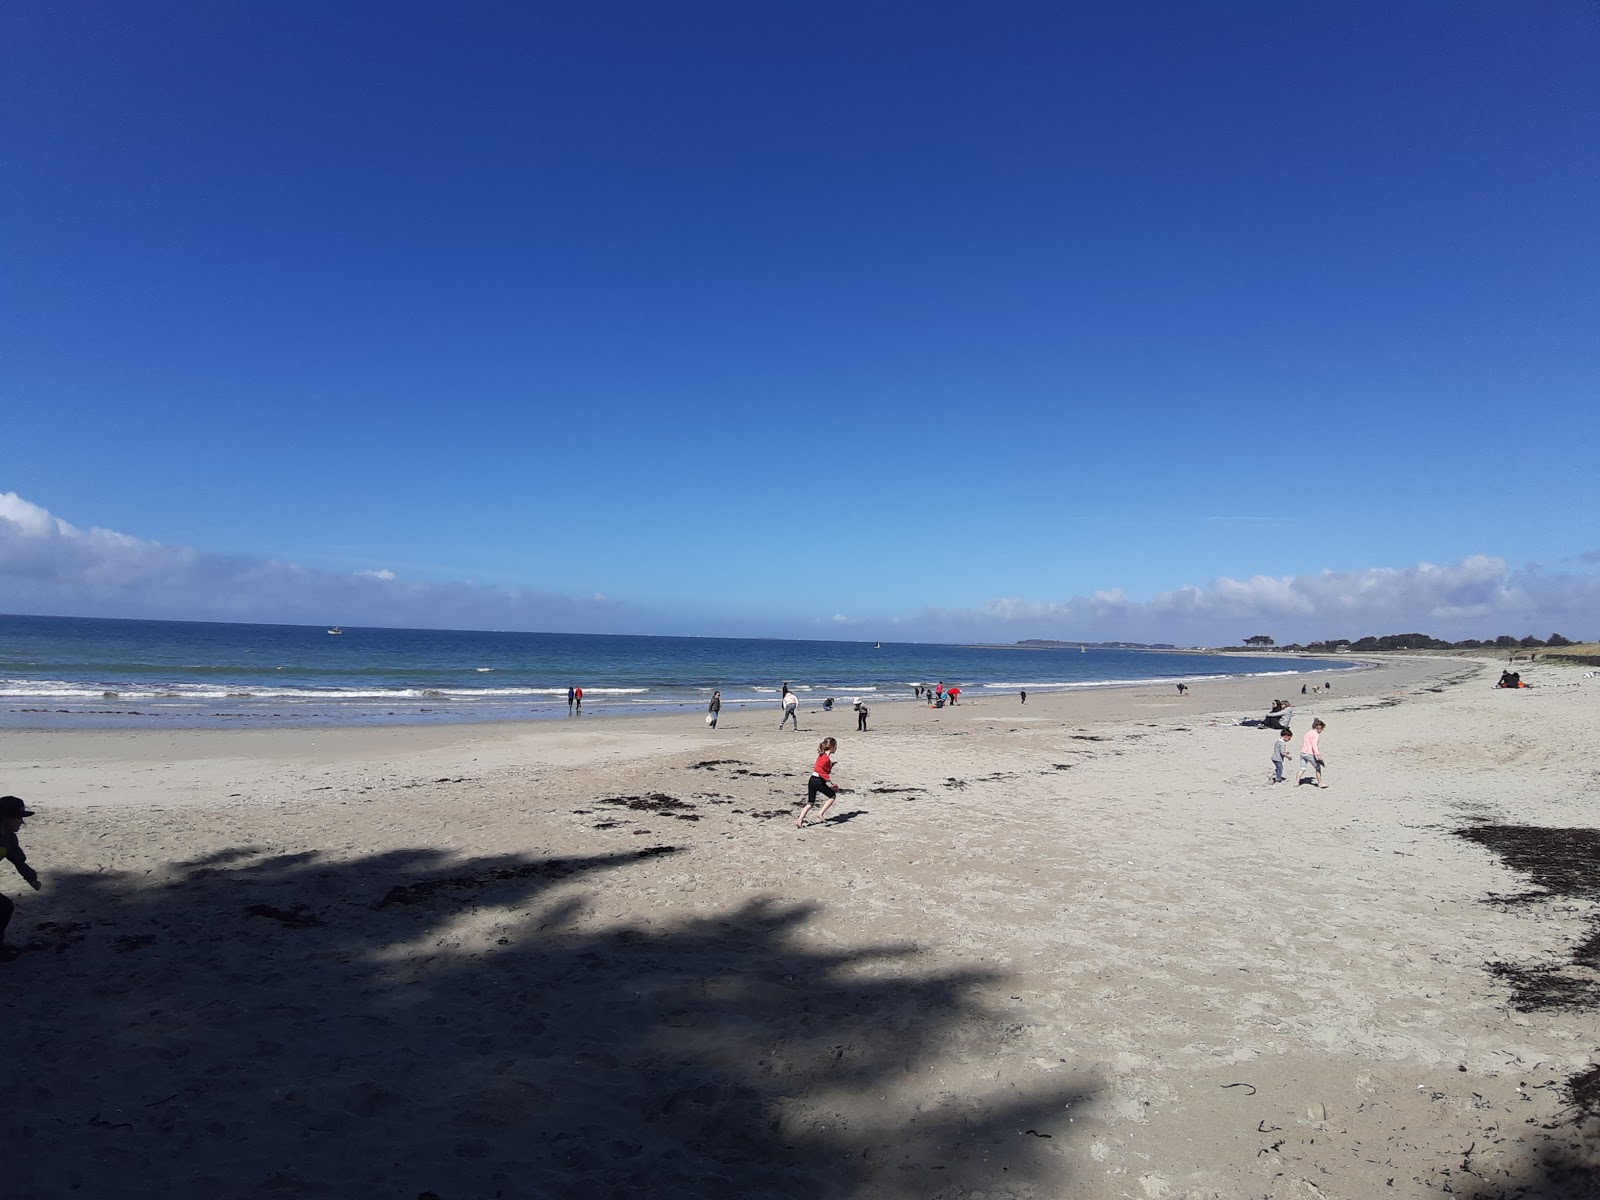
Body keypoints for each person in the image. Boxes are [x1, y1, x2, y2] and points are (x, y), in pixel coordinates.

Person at [1, 795, 42, 960]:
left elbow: (18, 860)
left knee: (4, 907)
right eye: (19, 818)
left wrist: (31, 878)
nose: (21, 823)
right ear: (5, 818)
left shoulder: (8, 837)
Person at [796, 737, 839, 828]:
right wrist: (830, 781)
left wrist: (830, 766)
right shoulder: (826, 758)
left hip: (812, 779)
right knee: (832, 796)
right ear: (831, 747)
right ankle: (820, 813)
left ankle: (799, 820)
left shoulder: (822, 756)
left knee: (810, 802)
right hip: (817, 781)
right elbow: (819, 769)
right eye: (835, 746)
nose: (836, 748)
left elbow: (822, 769)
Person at [1298, 719, 1327, 788]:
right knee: (1318, 768)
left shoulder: (1308, 733)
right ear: (1319, 728)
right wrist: (1318, 754)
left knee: (1302, 768)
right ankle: (1320, 783)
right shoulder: (1316, 735)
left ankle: (1296, 782)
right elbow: (1314, 745)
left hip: (1303, 752)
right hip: (1309, 754)